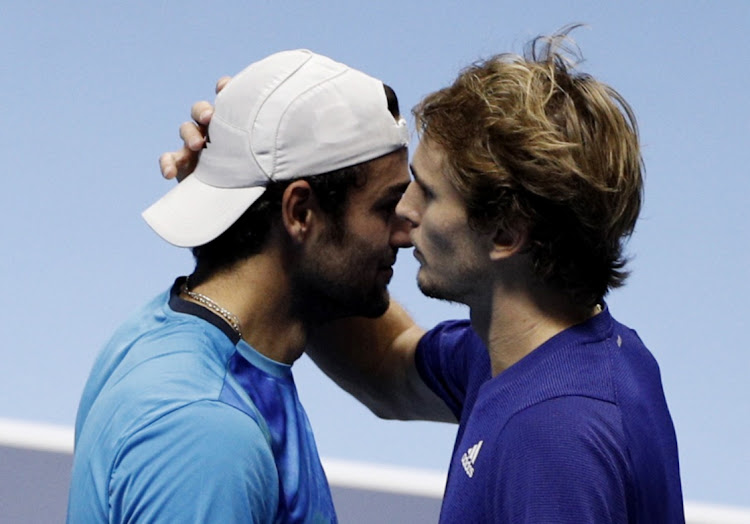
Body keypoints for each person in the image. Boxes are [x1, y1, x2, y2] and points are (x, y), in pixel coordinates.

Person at [165, 29, 685, 523]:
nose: (402, 213)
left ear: (505, 233)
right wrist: (251, 196)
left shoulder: (555, 438)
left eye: (428, 194)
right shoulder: (528, 356)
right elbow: (385, 365)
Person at [67, 49, 417, 523]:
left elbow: (388, 355)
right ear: (299, 212)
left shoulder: (160, 327)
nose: (407, 230)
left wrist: (230, 190)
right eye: (386, 205)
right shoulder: (205, 431)